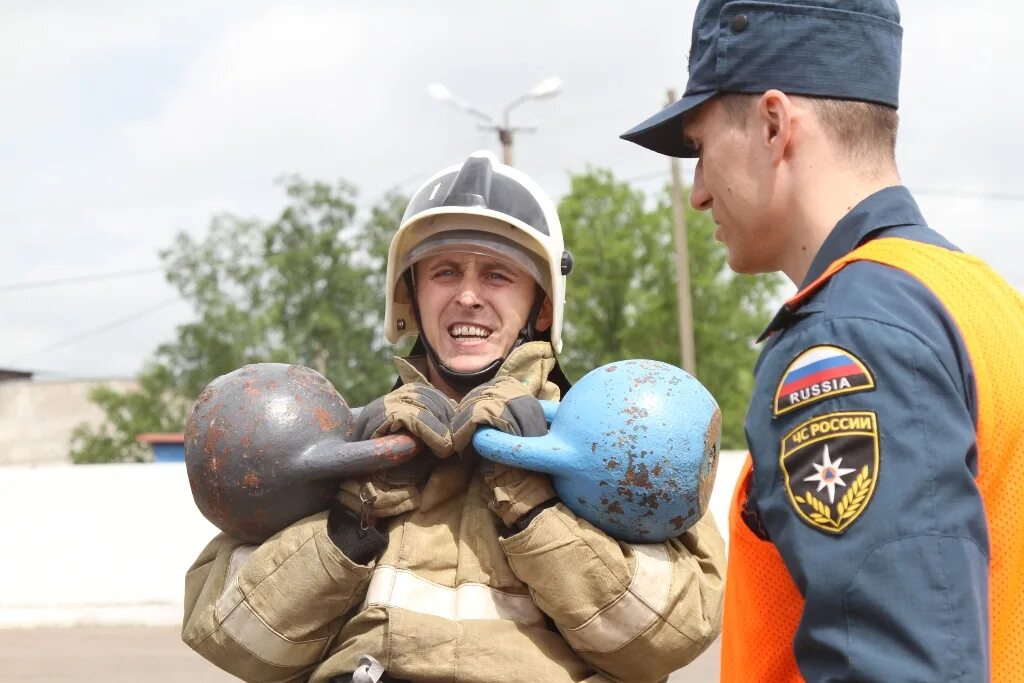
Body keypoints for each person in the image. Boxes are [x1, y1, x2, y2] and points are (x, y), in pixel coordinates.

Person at [181, 150, 725, 683]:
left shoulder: (625, 450)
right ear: (411, 298)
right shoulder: (340, 453)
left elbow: (663, 642)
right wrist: (352, 520)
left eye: (497, 275)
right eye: (444, 272)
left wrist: (535, 507)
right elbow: (237, 643)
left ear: (542, 305)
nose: (467, 295)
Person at [620, 1, 1024, 681]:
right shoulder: (981, 297)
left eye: (699, 150)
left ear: (775, 125)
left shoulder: (847, 339)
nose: (696, 193)